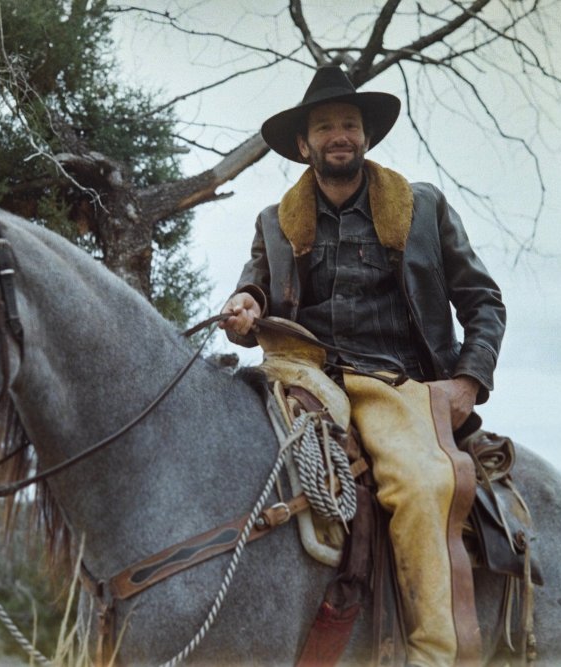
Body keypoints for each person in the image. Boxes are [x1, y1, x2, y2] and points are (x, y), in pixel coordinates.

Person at [220, 66, 506, 666]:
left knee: (422, 483)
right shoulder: (274, 222)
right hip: (300, 373)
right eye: (324, 127)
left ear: (366, 136)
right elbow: (254, 294)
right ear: (304, 144)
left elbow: (483, 301)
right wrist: (244, 307)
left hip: (391, 381)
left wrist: (467, 379)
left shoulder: (422, 207)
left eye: (349, 123)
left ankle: (434, 653)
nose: (338, 135)